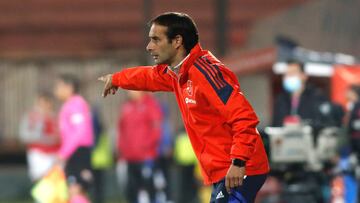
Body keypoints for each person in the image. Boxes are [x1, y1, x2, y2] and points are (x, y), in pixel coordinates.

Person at [99, 12, 269, 203]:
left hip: (241, 168)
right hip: (224, 170)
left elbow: (244, 117)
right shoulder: (178, 74)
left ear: (177, 41)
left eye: (156, 39)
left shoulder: (206, 72)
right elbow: (149, 77)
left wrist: (238, 161)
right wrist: (117, 79)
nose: (149, 47)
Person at [117, 90, 163, 203]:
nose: (129, 92)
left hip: (146, 157)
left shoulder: (151, 105)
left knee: (150, 189)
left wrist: (146, 146)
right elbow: (122, 129)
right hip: (129, 157)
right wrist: (122, 147)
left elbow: (157, 129)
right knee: (131, 191)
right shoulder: (126, 106)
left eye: (132, 88)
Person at [54, 74, 94, 203]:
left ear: (69, 87)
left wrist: (63, 153)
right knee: (73, 190)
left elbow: (79, 131)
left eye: (59, 86)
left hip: (78, 151)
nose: (56, 90)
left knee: (76, 189)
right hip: (74, 151)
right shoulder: (70, 105)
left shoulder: (76, 104)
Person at [19, 91, 60, 182]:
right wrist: (43, 138)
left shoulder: (56, 117)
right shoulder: (32, 117)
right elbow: (24, 136)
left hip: (55, 153)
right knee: (41, 179)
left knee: (55, 180)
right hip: (38, 153)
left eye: (46, 103)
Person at [272, 59, 325, 127]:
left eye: (293, 73)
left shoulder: (316, 97)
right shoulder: (281, 99)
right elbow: (275, 125)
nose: (289, 77)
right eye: (286, 74)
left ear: (304, 76)